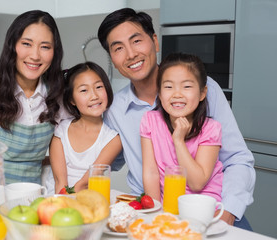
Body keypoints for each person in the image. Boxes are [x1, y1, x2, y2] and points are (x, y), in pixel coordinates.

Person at [98, 8, 255, 229]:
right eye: (118, 48)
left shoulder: (206, 89)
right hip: (155, 212)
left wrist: (228, 212)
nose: (130, 54)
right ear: (113, 59)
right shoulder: (114, 109)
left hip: (216, 210)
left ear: (155, 41)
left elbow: (237, 160)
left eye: (136, 41)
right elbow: (107, 160)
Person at [0, 10, 65, 210]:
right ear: (12, 46)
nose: (35, 55)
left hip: (29, 204)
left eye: (45, 47)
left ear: (54, 53)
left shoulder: (57, 95)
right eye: (26, 44)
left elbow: (66, 151)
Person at [141, 52, 223, 203]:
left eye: (186, 86)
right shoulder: (150, 121)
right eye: (168, 86)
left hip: (201, 207)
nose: (177, 94)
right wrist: (155, 212)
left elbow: (197, 183)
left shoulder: (211, 129)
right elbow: (151, 173)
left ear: (202, 93)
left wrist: (178, 141)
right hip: (168, 207)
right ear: (159, 93)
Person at [45, 62, 122, 194]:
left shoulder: (113, 139)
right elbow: (60, 183)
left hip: (87, 199)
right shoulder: (61, 131)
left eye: (98, 87)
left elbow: (84, 184)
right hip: (57, 200)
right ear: (72, 100)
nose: (94, 96)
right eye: (84, 90)